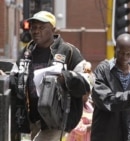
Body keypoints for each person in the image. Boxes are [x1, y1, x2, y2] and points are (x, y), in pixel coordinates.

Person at [7, 11, 91, 141]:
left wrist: (66, 78)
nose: (36, 31)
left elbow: (87, 80)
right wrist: (6, 76)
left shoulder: (68, 51)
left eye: (41, 27)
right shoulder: (27, 52)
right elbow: (15, 77)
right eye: (33, 27)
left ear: (53, 29)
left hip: (56, 119)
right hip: (31, 118)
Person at [90, 33, 130, 141]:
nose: (124, 57)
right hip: (105, 135)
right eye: (121, 53)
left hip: (128, 136)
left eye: (128, 54)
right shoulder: (103, 70)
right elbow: (104, 100)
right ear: (115, 49)